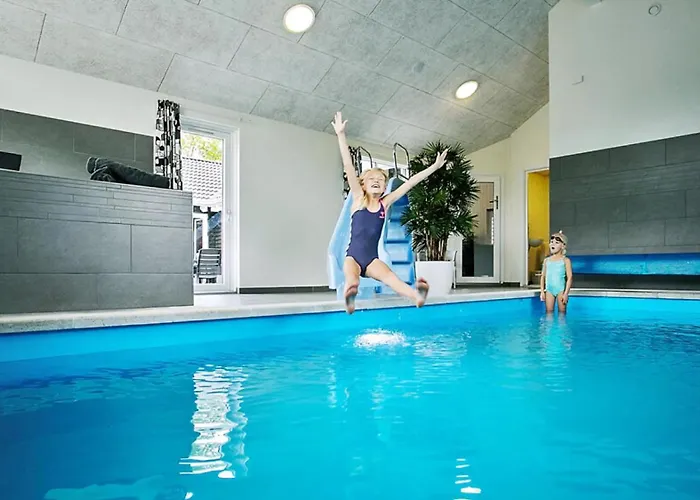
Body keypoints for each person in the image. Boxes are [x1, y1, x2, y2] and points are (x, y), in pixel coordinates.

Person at [331, 111, 448, 314]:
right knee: (352, 277)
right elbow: (349, 165)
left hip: (372, 259)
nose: (376, 181)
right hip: (353, 256)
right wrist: (341, 135)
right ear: (363, 184)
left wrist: (434, 167)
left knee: (391, 278)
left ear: (385, 187)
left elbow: (410, 183)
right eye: (372, 179)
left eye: (380, 180)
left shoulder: (385, 203)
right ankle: (350, 298)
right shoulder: (358, 199)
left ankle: (416, 297)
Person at [540, 230, 573, 313]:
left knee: (562, 313)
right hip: (549, 290)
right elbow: (543, 276)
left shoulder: (565, 260)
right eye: (551, 242)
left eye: (556, 243)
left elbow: (570, 278)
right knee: (549, 313)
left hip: (560, 290)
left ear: (563, 246)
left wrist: (566, 293)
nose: (553, 244)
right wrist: (542, 291)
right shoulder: (547, 260)